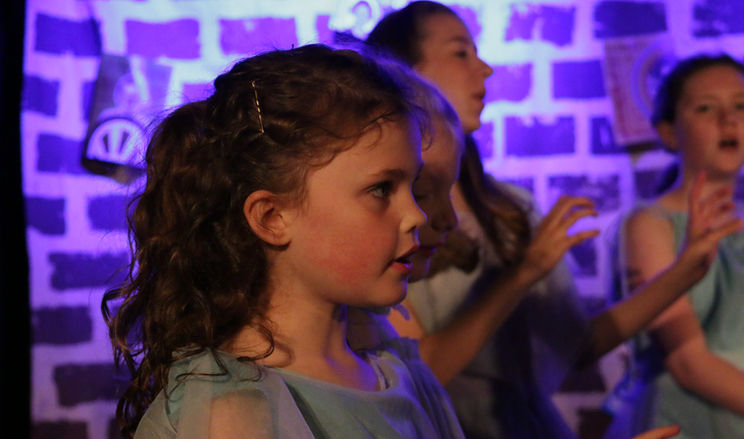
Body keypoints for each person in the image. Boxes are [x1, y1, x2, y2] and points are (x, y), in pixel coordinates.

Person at [365, 2, 744, 437]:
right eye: (461, 53)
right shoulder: (393, 212)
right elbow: (421, 373)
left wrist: (686, 269)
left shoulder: (510, 207)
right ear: (403, 72)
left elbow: (578, 346)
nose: (485, 69)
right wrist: (522, 274)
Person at [102, 44, 466, 439]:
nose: (417, 215)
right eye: (381, 189)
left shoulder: (399, 373)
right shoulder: (231, 413)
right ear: (272, 217)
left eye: (413, 186)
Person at [604, 54, 744, 439]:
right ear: (669, 132)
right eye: (706, 108)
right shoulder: (651, 223)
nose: (729, 120)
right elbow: (687, 362)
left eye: (740, 106)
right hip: (684, 419)